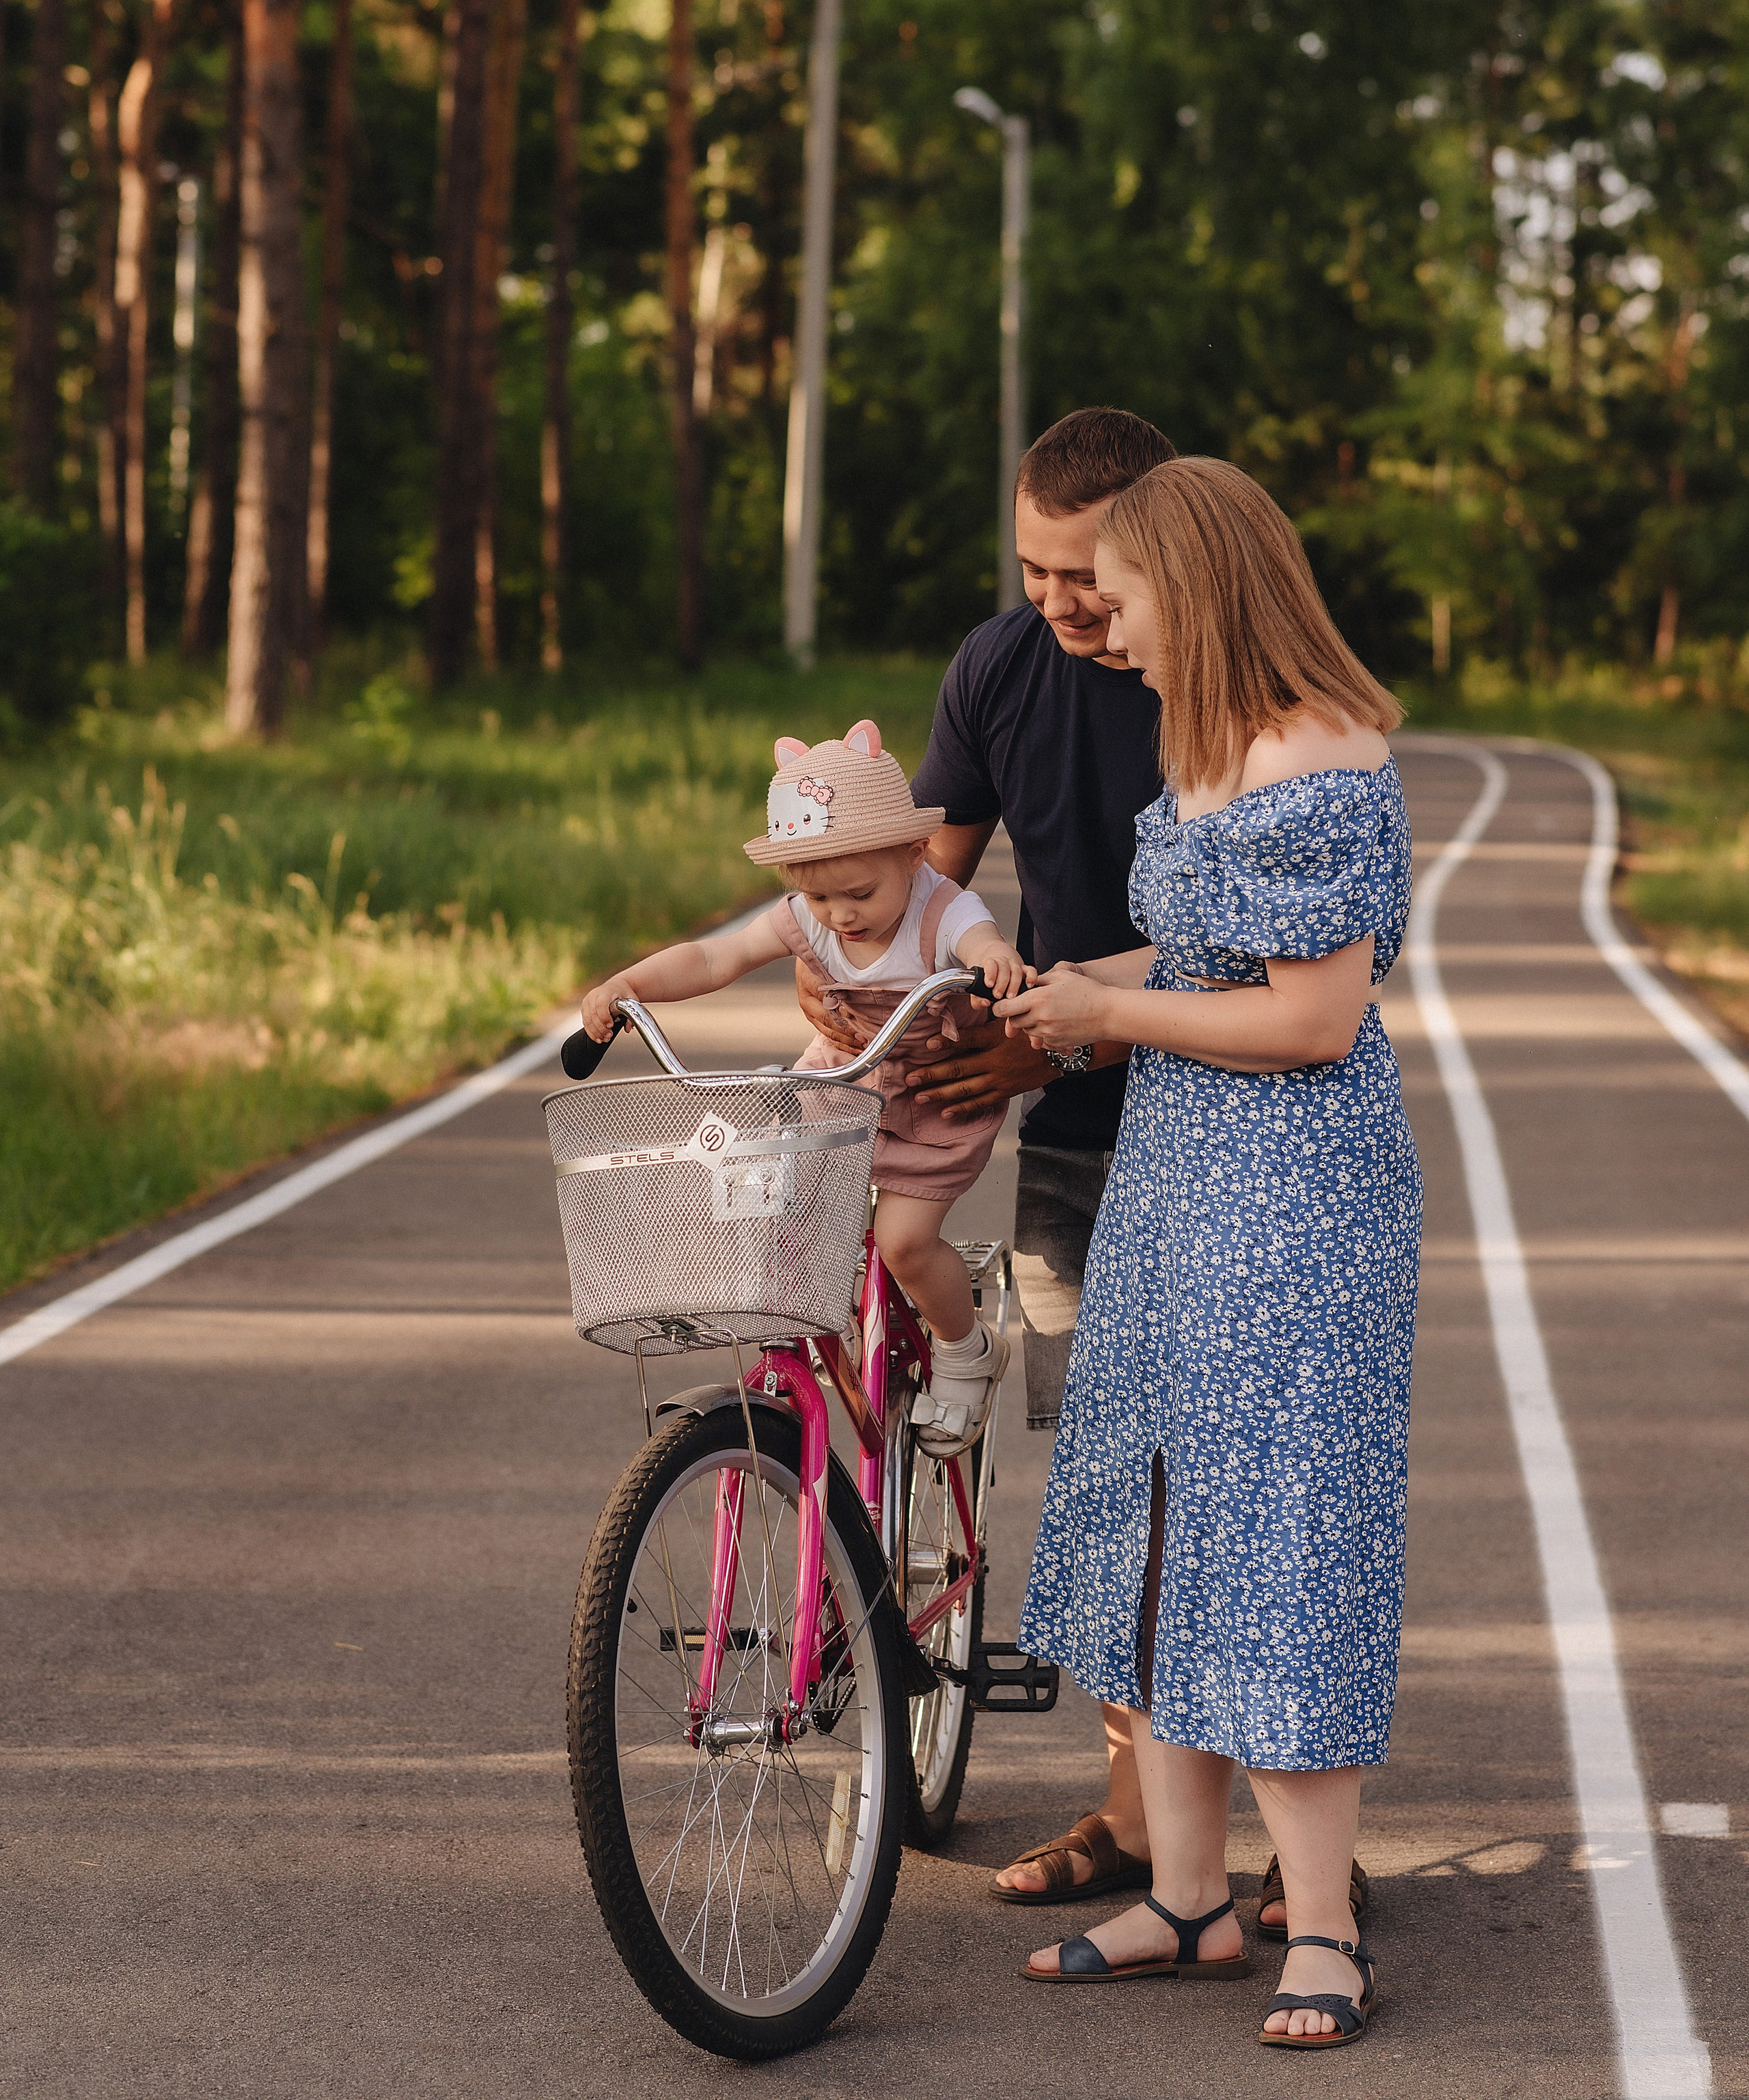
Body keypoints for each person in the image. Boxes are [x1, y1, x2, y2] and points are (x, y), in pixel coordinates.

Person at [994, 457, 1421, 2049]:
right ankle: (1187, 1894)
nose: (1101, 614)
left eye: (1125, 588)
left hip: (1293, 1201)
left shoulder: (1318, 759)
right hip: (1176, 1178)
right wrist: (1054, 993)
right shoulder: (1208, 751)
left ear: (1209, 588)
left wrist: (1109, 1012)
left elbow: (1311, 1018)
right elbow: (1191, 962)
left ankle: (1316, 1923)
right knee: (1157, 1524)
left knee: (1280, 1534)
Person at [799, 406, 1195, 1911]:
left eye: (1084, 572)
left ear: (1159, 546)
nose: (1059, 601)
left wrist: (1057, 1032)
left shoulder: (1208, 683)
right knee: (1108, 1474)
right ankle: (1137, 1807)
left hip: (1205, 1110)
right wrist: (844, 961)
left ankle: (1205, 1825)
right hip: (1074, 1133)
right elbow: (923, 883)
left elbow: (1257, 954)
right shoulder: (998, 666)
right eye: (1032, 568)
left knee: (1196, 1481)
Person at [577, 719, 1027, 1454]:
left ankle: (964, 1348)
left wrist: (995, 963)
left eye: (857, 892)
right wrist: (630, 984)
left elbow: (981, 943)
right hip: (842, 1087)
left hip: (929, 1097)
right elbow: (715, 956)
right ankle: (808, 1345)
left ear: (914, 854)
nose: (839, 915)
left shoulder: (942, 910)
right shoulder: (808, 917)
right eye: (818, 898)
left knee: (905, 1242)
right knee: (777, 1211)